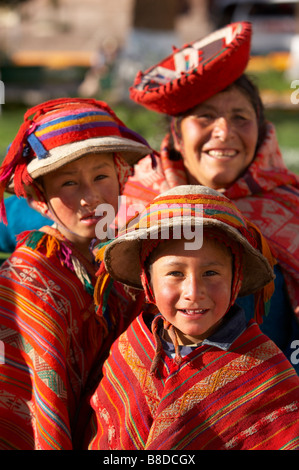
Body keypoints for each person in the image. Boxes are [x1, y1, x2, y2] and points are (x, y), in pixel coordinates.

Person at [124, 21, 299, 372]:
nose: (224, 132)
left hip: (272, 395)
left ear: (262, 132)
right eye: (206, 116)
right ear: (176, 133)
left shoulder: (289, 209)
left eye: (240, 117)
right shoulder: (134, 202)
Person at [87, 185, 299, 450]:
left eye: (211, 273)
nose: (193, 292)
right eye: (175, 273)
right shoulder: (130, 349)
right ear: (148, 281)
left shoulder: (267, 375)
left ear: (236, 280)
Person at [0, 97, 152, 450]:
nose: (90, 197)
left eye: (101, 176)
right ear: (40, 197)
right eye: (69, 183)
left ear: (121, 177)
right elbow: (37, 401)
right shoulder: (28, 280)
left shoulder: (119, 260)